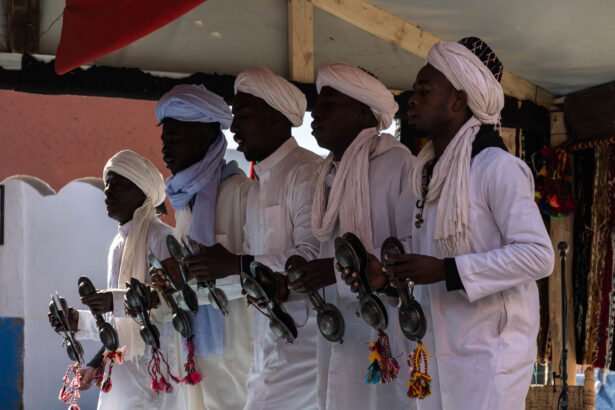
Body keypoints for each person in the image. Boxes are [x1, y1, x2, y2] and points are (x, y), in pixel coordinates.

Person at [358, 37, 555, 410]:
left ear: (460, 101)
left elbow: (538, 256)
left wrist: (448, 271)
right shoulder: (425, 176)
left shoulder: (498, 168)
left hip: (491, 357)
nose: (411, 99)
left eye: (424, 90)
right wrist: (387, 277)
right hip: (435, 349)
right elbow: (422, 263)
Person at [184, 67, 322, 410]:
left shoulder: (308, 173)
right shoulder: (258, 185)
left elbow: (312, 254)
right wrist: (208, 271)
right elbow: (250, 265)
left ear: (276, 120)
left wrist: (234, 263)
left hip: (307, 341)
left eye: (243, 116)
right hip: (266, 340)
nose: (234, 129)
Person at [287, 62, 416, 410]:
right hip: (340, 335)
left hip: (389, 332)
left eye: (328, 104)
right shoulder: (328, 174)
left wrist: (336, 270)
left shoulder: (398, 164)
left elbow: (411, 250)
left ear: (362, 112)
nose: (317, 113)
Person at [50, 150, 183, 409]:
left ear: (143, 193)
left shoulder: (162, 238)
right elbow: (117, 322)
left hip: (157, 372)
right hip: (122, 373)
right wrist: (78, 320)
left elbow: (174, 303)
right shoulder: (118, 244)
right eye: (107, 184)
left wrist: (114, 300)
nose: (108, 192)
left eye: (119, 185)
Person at [155, 84, 253, 410]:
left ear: (207, 137)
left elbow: (267, 273)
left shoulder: (240, 193)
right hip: (194, 351)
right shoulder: (186, 203)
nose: (166, 149)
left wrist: (198, 276)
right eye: (164, 140)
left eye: (175, 139)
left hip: (240, 349)